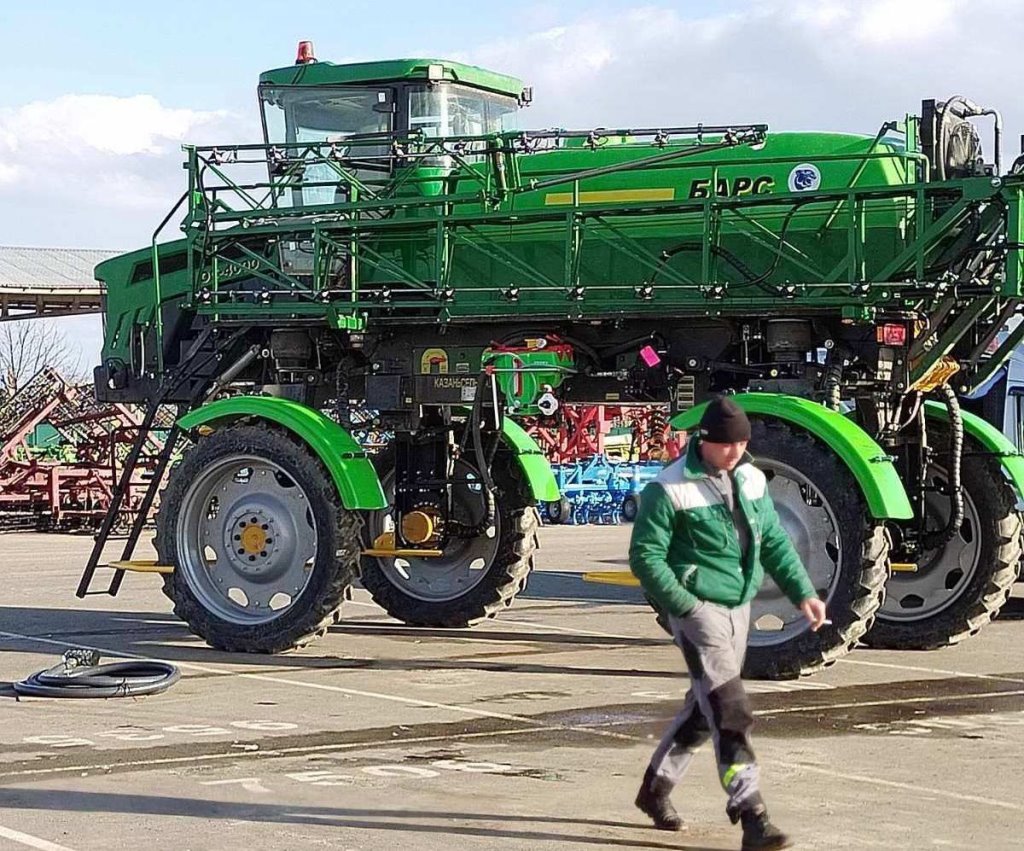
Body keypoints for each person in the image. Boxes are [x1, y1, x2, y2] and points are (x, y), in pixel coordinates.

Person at [629, 396, 827, 851]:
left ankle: (654, 790)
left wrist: (804, 595)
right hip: (699, 611)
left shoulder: (752, 478)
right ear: (704, 440)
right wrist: (684, 604)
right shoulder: (670, 488)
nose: (735, 452)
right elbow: (645, 556)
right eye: (725, 445)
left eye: (741, 443)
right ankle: (752, 814)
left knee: (705, 711)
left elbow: (773, 540)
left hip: (740, 606)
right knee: (731, 710)